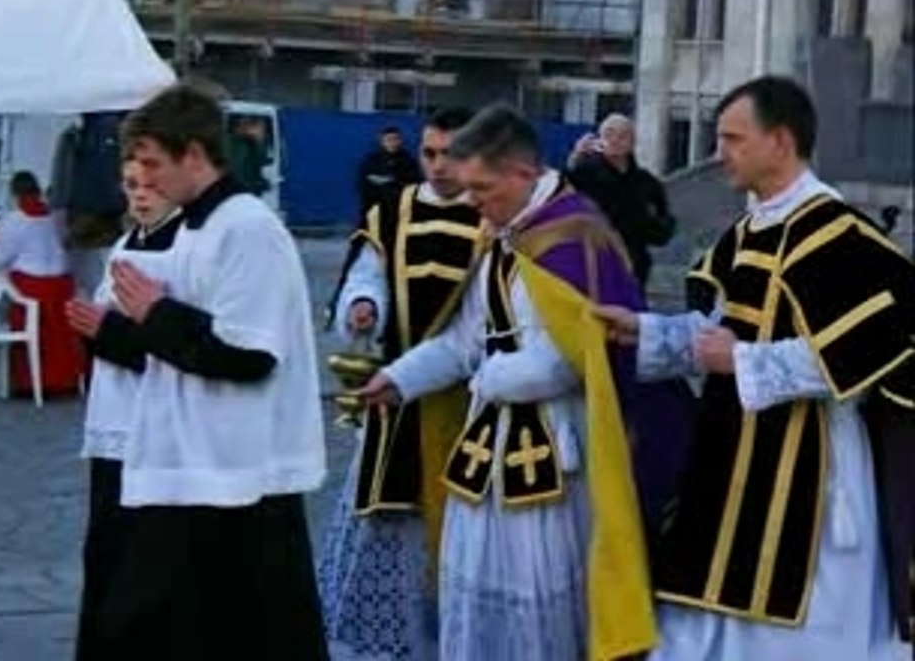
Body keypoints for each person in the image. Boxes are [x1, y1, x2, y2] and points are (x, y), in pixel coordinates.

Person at [595, 76, 915, 661]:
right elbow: (719, 332)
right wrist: (643, 331)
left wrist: (739, 359)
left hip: (809, 477)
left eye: (733, 139)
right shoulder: (747, 230)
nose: (721, 154)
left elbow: (860, 356)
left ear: (781, 142)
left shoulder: (839, 235)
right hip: (731, 465)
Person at [359, 104, 671, 661]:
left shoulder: (576, 236)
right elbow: (465, 338)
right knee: (474, 600)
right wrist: (400, 378)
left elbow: (575, 355)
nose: (472, 202)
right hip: (485, 452)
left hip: (556, 449)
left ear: (523, 174)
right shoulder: (502, 233)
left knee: (545, 609)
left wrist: (490, 379)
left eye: (482, 188)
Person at [65, 84, 328, 660]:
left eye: (156, 164)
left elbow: (248, 355)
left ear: (195, 155)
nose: (147, 181)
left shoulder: (247, 228)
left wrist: (154, 313)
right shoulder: (188, 228)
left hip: (233, 470)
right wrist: (120, 328)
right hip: (179, 458)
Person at [318, 107, 485, 661]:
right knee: (390, 519)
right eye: (430, 154)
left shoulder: (494, 219)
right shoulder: (393, 212)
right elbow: (367, 274)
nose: (438, 166)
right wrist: (364, 307)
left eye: (452, 155)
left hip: (474, 400)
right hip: (398, 393)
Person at [68, 159, 184, 658]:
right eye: (130, 185)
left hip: (151, 428)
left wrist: (107, 332)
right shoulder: (125, 243)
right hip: (109, 426)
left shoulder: (183, 250)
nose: (139, 195)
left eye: (150, 184)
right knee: (105, 556)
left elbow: (173, 344)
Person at [0, 170, 83, 396]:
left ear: (14, 194)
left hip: (32, 287)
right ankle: (66, 382)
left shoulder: (15, 220)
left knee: (26, 328)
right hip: (62, 286)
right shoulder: (55, 217)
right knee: (62, 337)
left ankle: (29, 384)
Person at [567, 114, 675, 290]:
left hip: (633, 265)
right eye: (609, 134)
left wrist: (654, 228)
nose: (615, 140)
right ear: (599, 139)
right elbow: (560, 200)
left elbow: (663, 220)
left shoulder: (645, 182)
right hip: (591, 265)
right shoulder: (584, 174)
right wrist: (575, 157)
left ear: (633, 142)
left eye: (622, 136)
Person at [357, 126, 423, 216]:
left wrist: (394, 180)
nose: (392, 143)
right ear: (382, 142)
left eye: (396, 139)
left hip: (401, 207)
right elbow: (364, 184)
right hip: (376, 207)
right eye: (389, 140)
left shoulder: (408, 160)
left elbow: (416, 182)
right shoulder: (372, 161)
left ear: (401, 141)